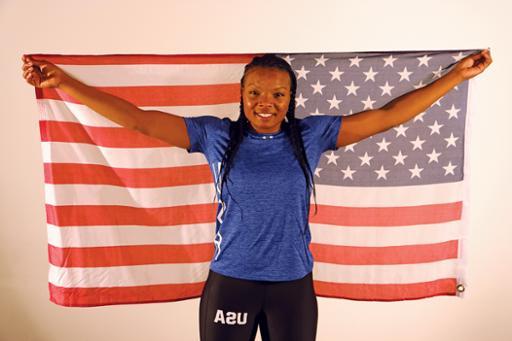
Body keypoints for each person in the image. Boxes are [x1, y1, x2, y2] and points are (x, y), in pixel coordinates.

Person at [21, 49, 492, 341]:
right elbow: (139, 119)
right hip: (232, 282)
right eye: (255, 93)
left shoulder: (312, 136)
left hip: (293, 288)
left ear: (292, 99)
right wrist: (65, 83)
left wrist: (456, 77)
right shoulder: (215, 137)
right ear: (240, 94)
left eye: (278, 95)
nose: (266, 103)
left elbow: (389, 115)